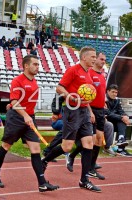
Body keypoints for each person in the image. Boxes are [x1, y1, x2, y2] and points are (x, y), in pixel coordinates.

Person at [0, 55, 59, 192]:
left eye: (38, 65)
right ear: (26, 66)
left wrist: (29, 116)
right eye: (35, 64)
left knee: (36, 149)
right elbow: (14, 102)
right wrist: (25, 115)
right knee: (6, 146)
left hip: (29, 118)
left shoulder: (34, 82)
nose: (37, 67)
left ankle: (42, 183)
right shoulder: (17, 80)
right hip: (16, 118)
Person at [42, 46, 102, 192]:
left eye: (95, 57)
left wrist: (90, 111)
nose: (94, 59)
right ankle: (44, 161)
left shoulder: (88, 74)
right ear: (84, 57)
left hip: (84, 112)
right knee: (67, 146)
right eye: (93, 57)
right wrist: (69, 96)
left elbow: (87, 97)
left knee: (89, 143)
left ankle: (84, 180)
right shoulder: (73, 70)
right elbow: (59, 87)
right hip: (72, 111)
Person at [105, 84, 132, 156]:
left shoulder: (117, 101)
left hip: (114, 122)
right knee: (121, 120)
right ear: (108, 91)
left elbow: (121, 111)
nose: (114, 94)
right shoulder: (104, 100)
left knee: (123, 121)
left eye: (116, 92)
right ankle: (120, 147)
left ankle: (121, 143)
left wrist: (125, 116)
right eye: (113, 92)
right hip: (105, 122)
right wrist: (121, 117)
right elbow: (107, 113)